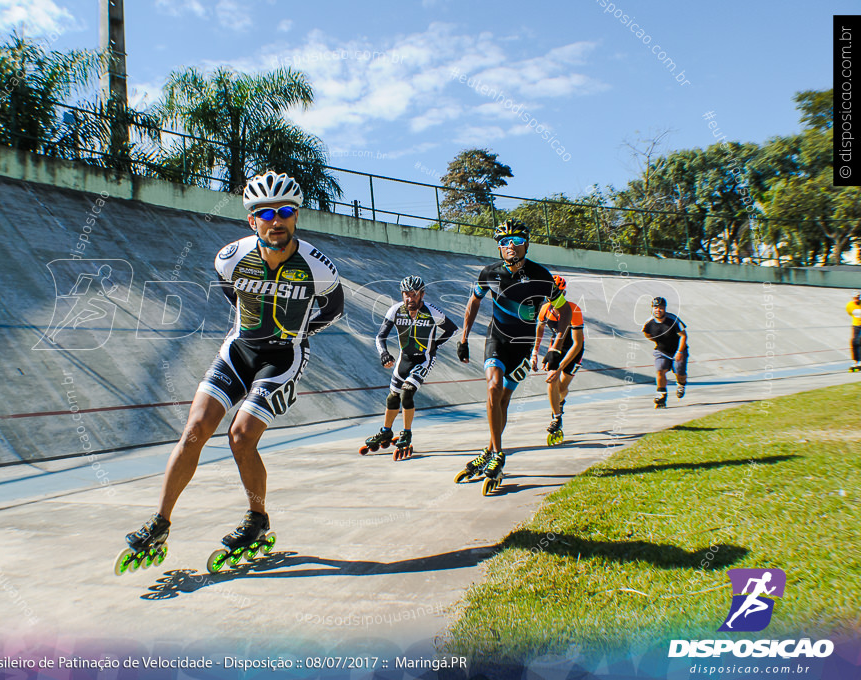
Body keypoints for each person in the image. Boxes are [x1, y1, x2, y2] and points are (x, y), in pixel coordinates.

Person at [117, 171, 345, 573]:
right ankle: (160, 522)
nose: (277, 220)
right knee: (195, 430)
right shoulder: (231, 257)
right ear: (252, 220)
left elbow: (335, 308)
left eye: (286, 211)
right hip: (238, 350)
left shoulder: (318, 268)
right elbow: (229, 290)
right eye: (266, 212)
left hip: (283, 358)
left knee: (241, 438)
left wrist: (301, 330)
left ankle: (257, 519)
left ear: (297, 216)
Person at [454, 220, 572, 494]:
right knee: (493, 388)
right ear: (498, 247)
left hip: (522, 346)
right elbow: (474, 301)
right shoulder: (489, 273)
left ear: (526, 245)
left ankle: (490, 448)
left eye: (516, 241)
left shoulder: (541, 276)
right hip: (496, 339)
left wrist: (555, 347)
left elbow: (563, 312)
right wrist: (463, 338)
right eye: (504, 242)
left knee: (502, 401)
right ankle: (498, 454)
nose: (510, 246)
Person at [360, 276, 458, 460]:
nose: (409, 299)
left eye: (414, 295)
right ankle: (386, 431)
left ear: (422, 294)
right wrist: (384, 354)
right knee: (392, 397)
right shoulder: (395, 310)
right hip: (404, 359)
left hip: (423, 359)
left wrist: (435, 345)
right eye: (406, 294)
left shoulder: (432, 312)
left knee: (407, 392)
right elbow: (380, 337)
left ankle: (406, 432)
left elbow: (452, 329)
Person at [532, 275, 585, 444]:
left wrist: (560, 369)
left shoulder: (573, 310)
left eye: (557, 294)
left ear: (563, 294)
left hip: (573, 350)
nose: (553, 299)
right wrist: (535, 352)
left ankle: (560, 403)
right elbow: (539, 330)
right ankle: (556, 417)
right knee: (550, 382)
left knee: (562, 388)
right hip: (556, 347)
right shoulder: (545, 308)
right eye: (550, 295)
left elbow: (577, 344)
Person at [641, 296, 688, 408]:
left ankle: (681, 384)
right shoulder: (649, 322)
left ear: (665, 308)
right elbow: (647, 334)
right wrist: (658, 342)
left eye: (661, 307)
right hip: (661, 351)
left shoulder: (673, 320)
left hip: (677, 351)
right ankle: (661, 395)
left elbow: (683, 336)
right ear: (652, 308)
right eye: (656, 307)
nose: (658, 310)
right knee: (660, 371)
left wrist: (680, 352)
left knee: (679, 373)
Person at [848, 291, 861, 372]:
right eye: (855, 298)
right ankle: (855, 360)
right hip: (855, 325)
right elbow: (850, 313)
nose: (856, 300)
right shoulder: (850, 305)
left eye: (858, 299)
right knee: (854, 342)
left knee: (860, 341)